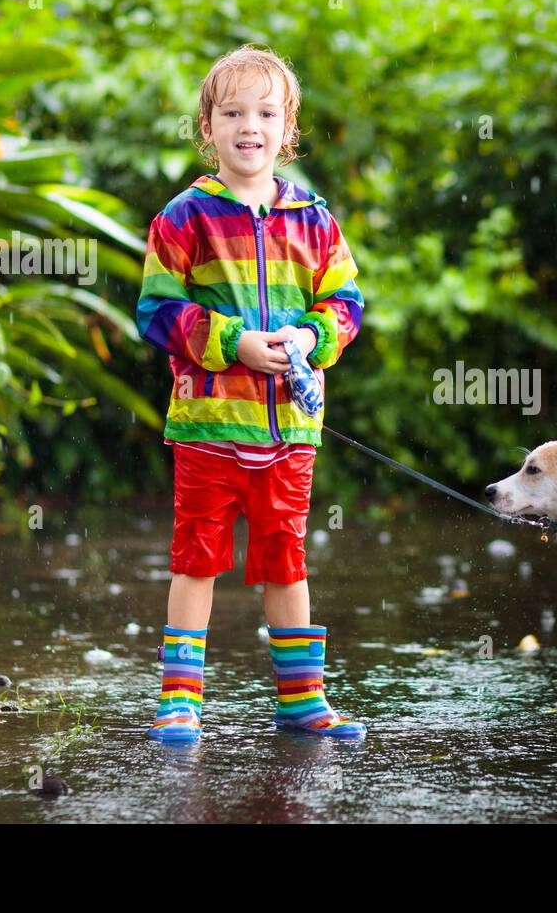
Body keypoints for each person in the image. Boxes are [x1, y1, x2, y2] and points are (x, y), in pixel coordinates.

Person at [134, 44, 365, 742]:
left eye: (266, 112)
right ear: (208, 126)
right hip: (209, 427)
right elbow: (155, 310)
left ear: (287, 128)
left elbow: (345, 303)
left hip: (289, 430)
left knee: (284, 557)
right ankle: (180, 699)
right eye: (232, 112)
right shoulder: (185, 218)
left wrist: (311, 340)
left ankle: (302, 699)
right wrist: (232, 342)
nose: (249, 126)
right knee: (196, 556)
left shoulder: (315, 220)